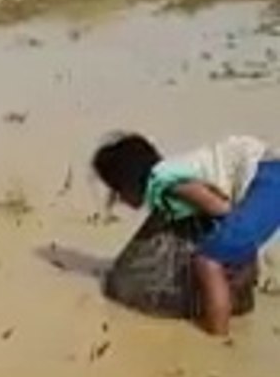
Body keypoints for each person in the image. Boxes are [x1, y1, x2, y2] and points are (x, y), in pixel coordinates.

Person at [93, 132, 280, 336]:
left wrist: (228, 235)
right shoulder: (174, 172)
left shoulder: (164, 181)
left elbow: (219, 207)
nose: (119, 199)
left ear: (128, 181)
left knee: (207, 261)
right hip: (266, 171)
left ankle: (219, 335)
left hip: (266, 183)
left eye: (117, 191)